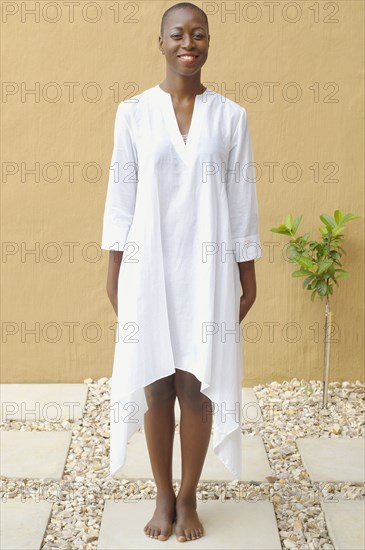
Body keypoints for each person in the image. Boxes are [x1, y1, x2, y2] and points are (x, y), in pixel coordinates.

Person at [101, 1, 263, 543]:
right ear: (161, 42)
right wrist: (113, 268)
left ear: (209, 42)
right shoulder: (134, 113)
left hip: (210, 267)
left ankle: (189, 494)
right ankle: (162, 495)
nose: (187, 43)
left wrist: (248, 272)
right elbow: (121, 198)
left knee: (196, 386)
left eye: (198, 34)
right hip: (149, 266)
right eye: (177, 34)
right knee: (156, 386)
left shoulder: (231, 117)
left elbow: (241, 201)